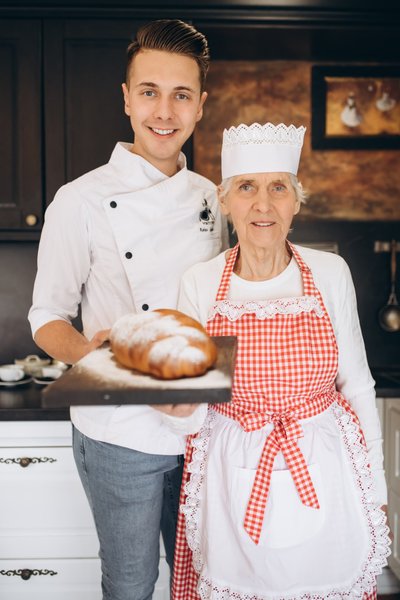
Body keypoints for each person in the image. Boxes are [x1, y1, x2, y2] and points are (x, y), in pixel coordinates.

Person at [28, 19, 228, 600]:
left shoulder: (217, 200)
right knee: (131, 585)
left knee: (199, 583)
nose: (163, 111)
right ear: (126, 98)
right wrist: (93, 352)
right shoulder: (80, 200)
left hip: (200, 430)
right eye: (149, 92)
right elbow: (46, 318)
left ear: (199, 107)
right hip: (118, 430)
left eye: (181, 95)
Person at [172, 121, 391, 599]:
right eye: (246, 187)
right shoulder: (201, 283)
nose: (263, 204)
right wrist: (173, 404)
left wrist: (375, 489)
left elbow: (356, 385)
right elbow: (192, 410)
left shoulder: (331, 273)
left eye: (279, 188)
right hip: (232, 474)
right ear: (225, 200)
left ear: (296, 201)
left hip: (325, 469)